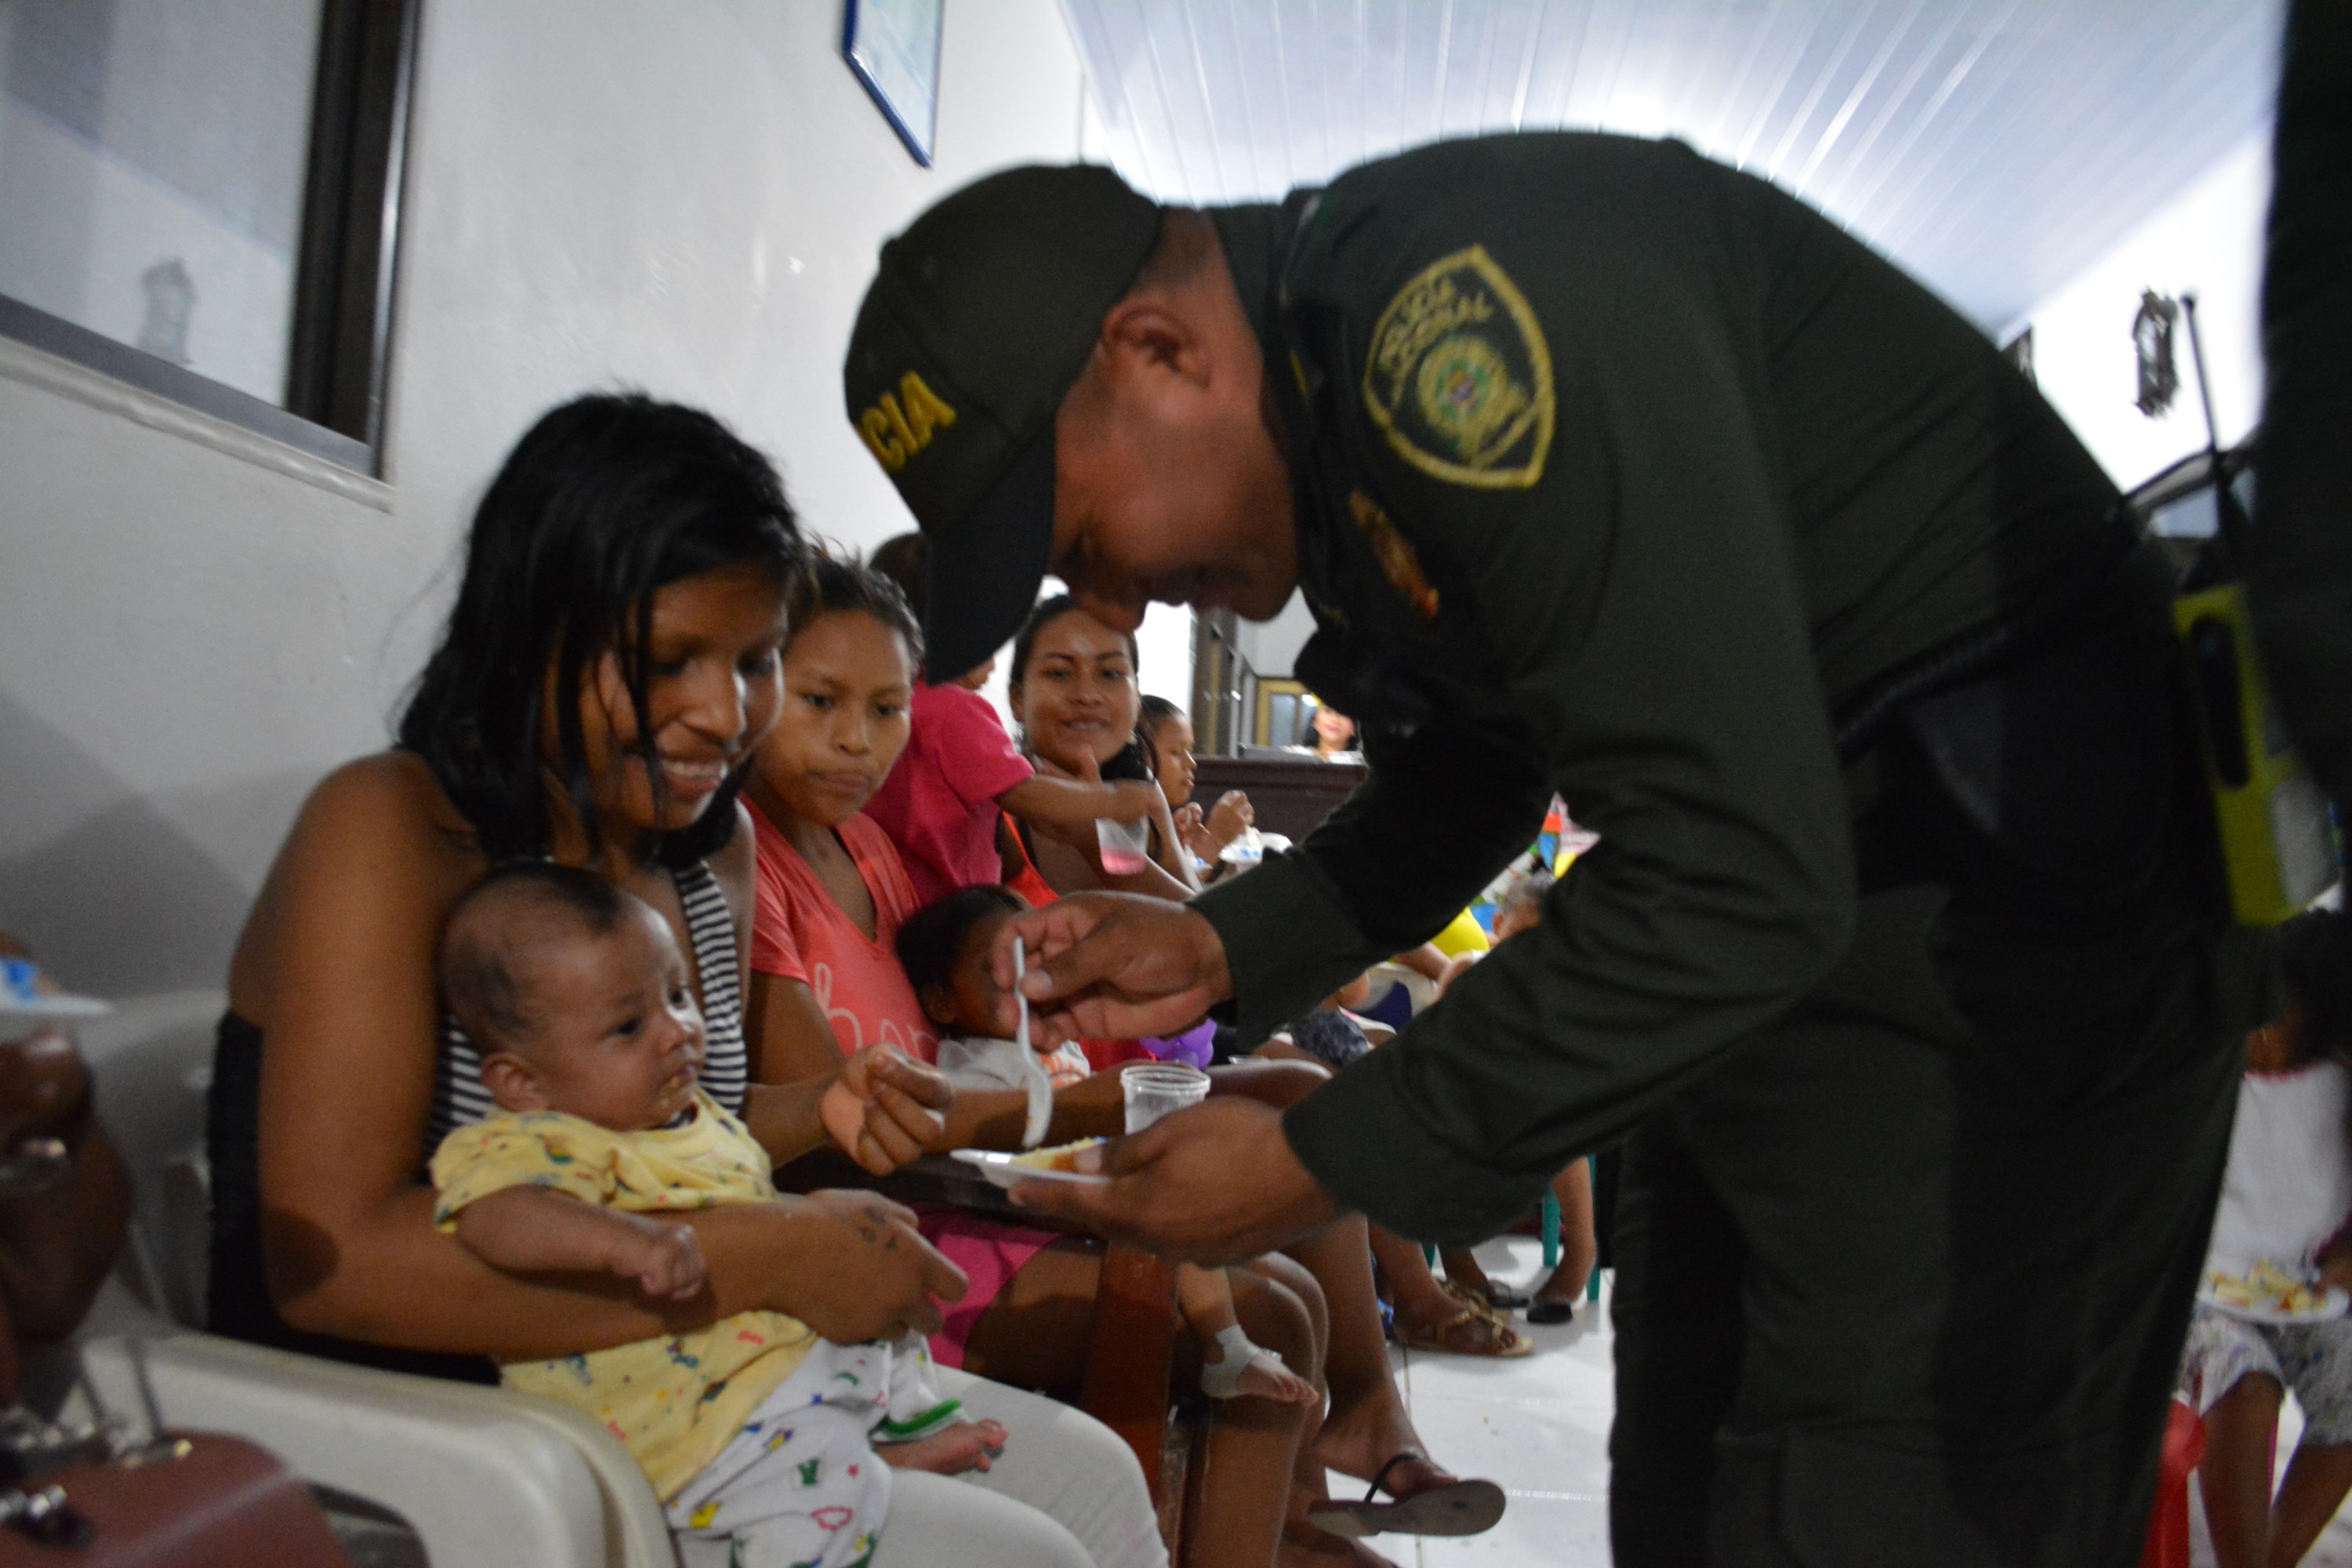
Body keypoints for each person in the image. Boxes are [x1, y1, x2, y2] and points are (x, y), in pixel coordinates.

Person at [844, 145, 2261, 1563]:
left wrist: (1325, 1155)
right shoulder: (1335, 397)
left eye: (1082, 534)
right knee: (1701, 1482)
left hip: (2012, 928)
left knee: (1874, 1502)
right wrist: (1225, 944)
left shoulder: (1449, 327)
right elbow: (1479, 766)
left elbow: (1736, 864)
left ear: (1157, 351)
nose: (1105, 592)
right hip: (1825, 928)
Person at [205, 394, 1135, 1567]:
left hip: (668, 1388)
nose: (721, 714)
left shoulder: (707, 852)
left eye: (752, 663)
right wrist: (769, 1254)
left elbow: (663, 1127)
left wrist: (831, 1105)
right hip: (448, 1436)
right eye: (667, 662)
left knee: (1093, 1484)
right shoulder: (393, 832)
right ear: (532, 630)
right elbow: (332, 1268)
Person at [736, 553, 1312, 1568]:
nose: (856, 741)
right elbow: (844, 1131)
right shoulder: (752, 865)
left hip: (972, 1182)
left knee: (1281, 1286)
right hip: (899, 1221)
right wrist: (1081, 1108)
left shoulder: (875, 848)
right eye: (820, 699)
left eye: (884, 708)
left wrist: (1032, 1051)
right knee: (1256, 1292)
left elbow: (956, 1011)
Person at [429, 865, 1003, 1567]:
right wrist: (621, 1241)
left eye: (678, 996)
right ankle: (818, 1524)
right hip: (679, 1418)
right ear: (523, 1082)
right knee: (813, 1482)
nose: (676, 1032)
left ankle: (892, 1435)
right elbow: (494, 1219)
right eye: (629, 1025)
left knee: (883, 1272)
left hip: (751, 1350)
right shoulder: (531, 1143)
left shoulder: (686, 1114)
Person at [896, 883, 1321, 1409]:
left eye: (1033, 964)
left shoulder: (1058, 1041)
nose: (1027, 986)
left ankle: (1242, 1363)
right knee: (1178, 1215)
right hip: (1039, 1210)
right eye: (997, 974)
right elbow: (995, 1146)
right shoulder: (972, 1068)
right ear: (942, 1001)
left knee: (1277, 1270)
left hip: (1103, 1181)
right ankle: (1226, 1345)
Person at [2177, 910, 2352, 1568]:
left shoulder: (2335, 1087)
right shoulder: (2204, 1067)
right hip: (2192, 1295)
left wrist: (2345, 1260)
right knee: (2248, 1384)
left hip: (2296, 1295)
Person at [866, 532, 1167, 908]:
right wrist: (1109, 800)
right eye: (1058, 673)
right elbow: (1025, 793)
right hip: (947, 908)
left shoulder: (892, 708)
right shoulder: (954, 709)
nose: (1086, 696)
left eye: (1110, 673)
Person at [1138, 695, 1253, 875]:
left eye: (1190, 752)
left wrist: (1181, 845)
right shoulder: (1125, 825)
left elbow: (1187, 878)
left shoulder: (1156, 824)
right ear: (1138, 757)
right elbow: (1175, 898)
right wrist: (1215, 841)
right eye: (1176, 752)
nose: (1191, 763)